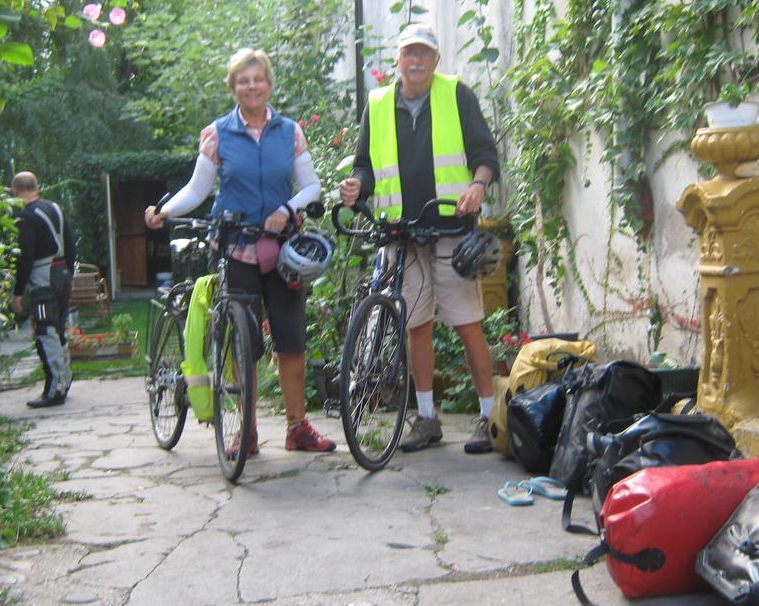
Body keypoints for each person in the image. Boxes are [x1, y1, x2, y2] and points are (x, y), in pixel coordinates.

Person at [144, 48, 336, 455]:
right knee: (243, 341)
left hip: (284, 251)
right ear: (233, 88)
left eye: (258, 79)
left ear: (268, 83)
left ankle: (297, 428)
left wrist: (287, 211)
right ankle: (245, 430)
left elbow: (311, 188)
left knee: (292, 340)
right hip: (236, 247)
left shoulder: (290, 131)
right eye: (243, 80)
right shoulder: (218, 134)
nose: (251, 86)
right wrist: (163, 211)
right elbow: (198, 190)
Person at [339, 23, 500, 455]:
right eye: (409, 52)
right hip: (401, 232)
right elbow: (364, 168)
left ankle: (490, 418)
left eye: (424, 54)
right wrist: (357, 186)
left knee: (468, 323)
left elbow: (485, 154)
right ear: (397, 59)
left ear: (436, 60)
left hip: (450, 227)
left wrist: (478, 186)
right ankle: (427, 419)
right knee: (417, 326)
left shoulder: (457, 94)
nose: (416, 61)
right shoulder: (376, 105)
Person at [11, 171, 75, 408]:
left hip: (43, 278)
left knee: (46, 331)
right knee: (58, 329)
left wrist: (18, 293)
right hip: (63, 275)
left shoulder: (26, 217)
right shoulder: (55, 208)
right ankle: (65, 380)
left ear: (15, 191)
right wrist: (70, 273)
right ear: (37, 187)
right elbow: (69, 241)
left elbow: (25, 258)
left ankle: (55, 388)